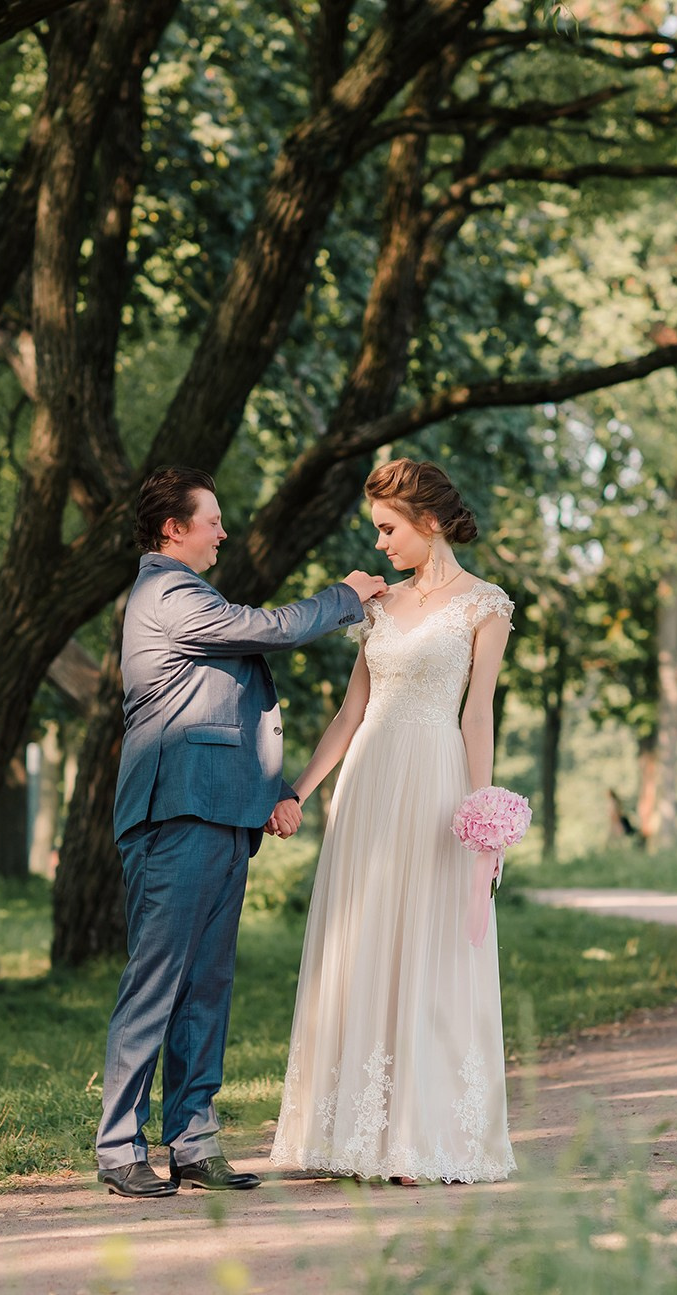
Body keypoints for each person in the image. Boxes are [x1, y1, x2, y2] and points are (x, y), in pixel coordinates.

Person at [96, 466, 388, 1200]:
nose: (223, 531)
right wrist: (346, 596)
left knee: (206, 989)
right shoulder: (167, 593)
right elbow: (273, 628)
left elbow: (222, 715)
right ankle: (118, 1146)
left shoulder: (189, 594)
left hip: (221, 815)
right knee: (157, 983)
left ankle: (193, 1143)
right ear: (173, 529)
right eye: (213, 519)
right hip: (177, 816)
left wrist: (271, 796)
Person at [270, 459, 517, 1185]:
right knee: (365, 939)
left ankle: (418, 1134)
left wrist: (484, 813)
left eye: (387, 528)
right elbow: (351, 711)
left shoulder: (485, 605)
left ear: (428, 522)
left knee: (430, 945)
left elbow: (478, 712)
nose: (378, 542)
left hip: (437, 781)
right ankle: (354, 1134)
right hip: (370, 784)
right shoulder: (375, 605)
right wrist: (302, 790)